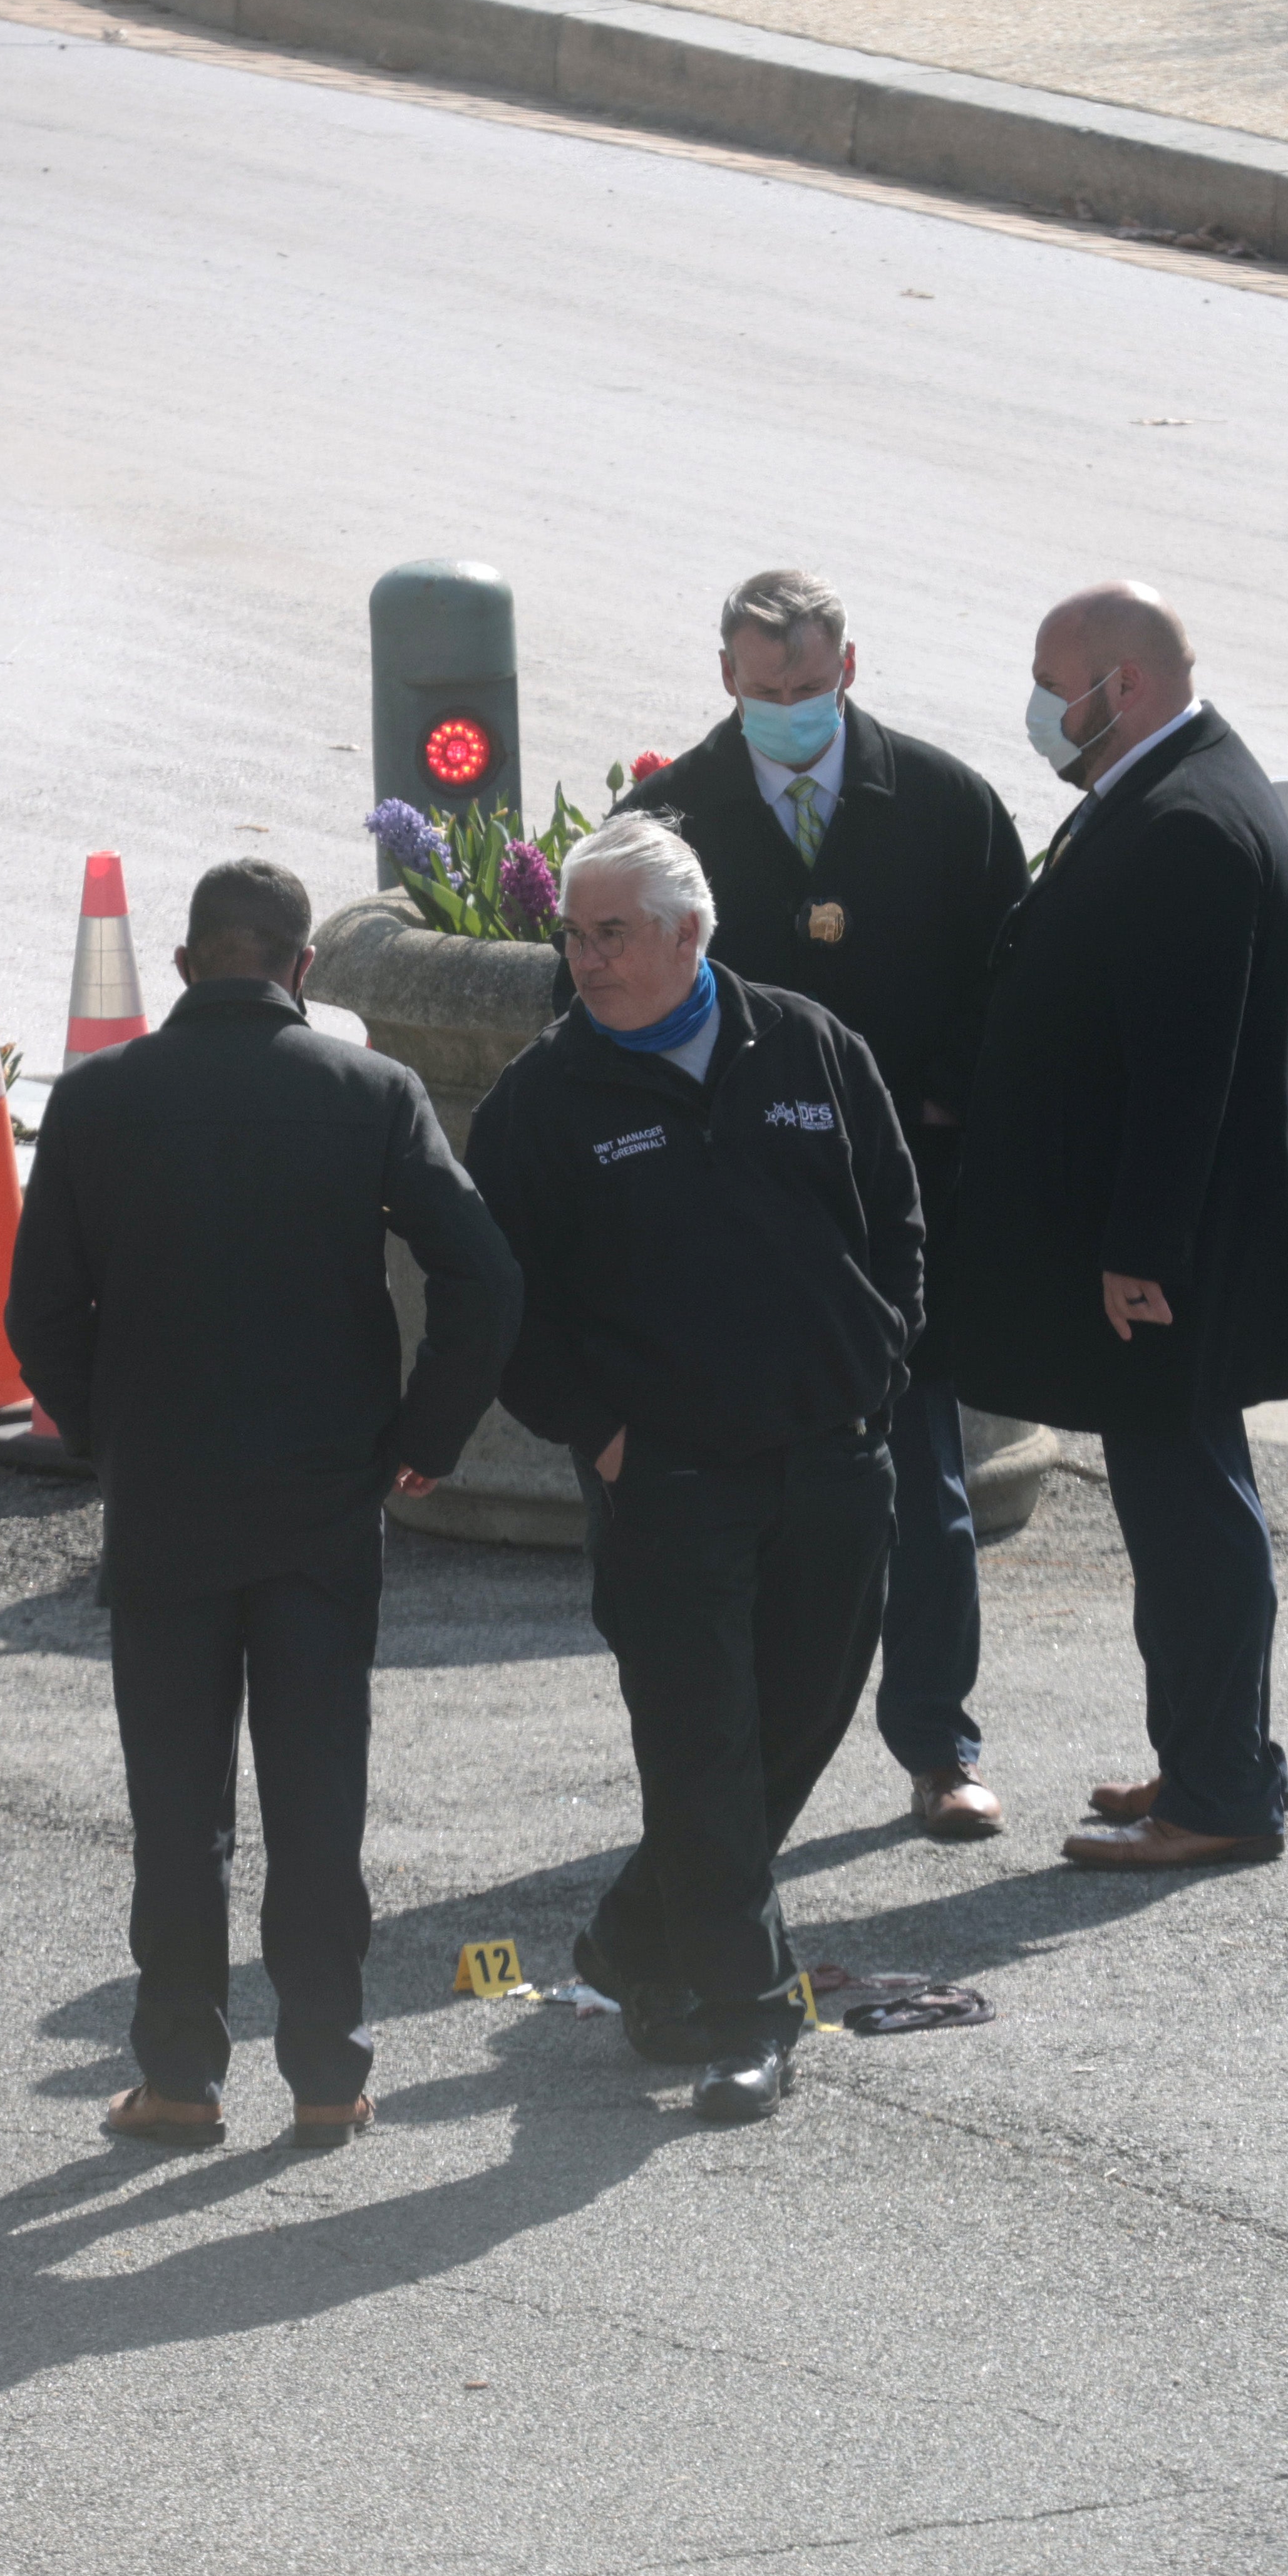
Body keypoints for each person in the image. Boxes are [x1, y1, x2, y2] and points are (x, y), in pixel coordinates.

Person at [4, 858, 518, 2151]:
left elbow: (37, 1314)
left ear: (185, 965)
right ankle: (329, 2075)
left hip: (167, 1504)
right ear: (300, 969)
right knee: (316, 1800)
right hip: (323, 1503)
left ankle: (179, 2077)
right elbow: (484, 1280)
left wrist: (115, 1438)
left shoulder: (103, 1098)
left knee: (178, 1814)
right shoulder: (371, 1092)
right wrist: (421, 1437)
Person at [465, 817, 921, 2121]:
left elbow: (895, 1216)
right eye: (574, 933)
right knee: (701, 1748)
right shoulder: (546, 1099)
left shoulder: (808, 1044)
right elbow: (501, 1297)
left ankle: (628, 1934)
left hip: (834, 1457)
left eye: (612, 934)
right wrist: (601, 1434)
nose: (587, 959)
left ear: (690, 935)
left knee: (801, 1719)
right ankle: (746, 2012)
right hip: (667, 1482)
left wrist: (882, 1361)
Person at [619, 569, 1028, 1843]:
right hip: (732, 1225)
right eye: (764, 688)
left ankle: (937, 1744)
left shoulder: (948, 805)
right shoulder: (671, 819)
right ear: (727, 678)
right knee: (735, 1516)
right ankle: (742, 1771)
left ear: (848, 670)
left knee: (924, 1488)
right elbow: (606, 1002)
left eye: (807, 687)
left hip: (895, 1211)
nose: (787, 707)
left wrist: (956, 1108)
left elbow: (1010, 978)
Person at [949, 582, 1288, 1871]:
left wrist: (1139, 1253)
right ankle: (1212, 1758)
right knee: (1186, 1512)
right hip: (1164, 1248)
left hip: (1171, 1260)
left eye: (1057, 682)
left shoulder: (1190, 827)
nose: (1043, 709)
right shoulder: (1173, 792)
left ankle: (1219, 1794)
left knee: (1192, 1520)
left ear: (1128, 687)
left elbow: (1183, 1075)